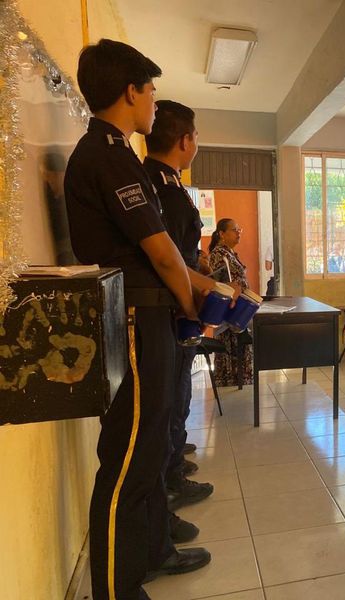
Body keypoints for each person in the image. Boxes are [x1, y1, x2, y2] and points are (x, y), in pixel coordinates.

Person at [64, 39, 210, 600]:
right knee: (126, 462)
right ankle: (115, 591)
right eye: (150, 90)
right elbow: (161, 251)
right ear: (131, 91)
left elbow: (169, 252)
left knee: (148, 451)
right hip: (132, 318)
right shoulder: (104, 154)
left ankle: (150, 552)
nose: (154, 102)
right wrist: (196, 301)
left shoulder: (118, 153)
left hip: (146, 317)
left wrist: (206, 288)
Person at [143, 100, 215, 520]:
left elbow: (183, 251)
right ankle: (171, 476)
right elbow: (169, 258)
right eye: (196, 137)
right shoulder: (162, 188)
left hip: (178, 300)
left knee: (179, 391)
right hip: (173, 306)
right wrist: (194, 307)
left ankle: (173, 461)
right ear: (184, 140)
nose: (196, 144)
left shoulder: (162, 181)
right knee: (172, 395)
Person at [208, 218, 254, 386]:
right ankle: (231, 382)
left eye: (239, 229)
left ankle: (242, 381)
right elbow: (222, 284)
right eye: (234, 230)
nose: (238, 233)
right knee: (230, 349)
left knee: (242, 349)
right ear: (221, 233)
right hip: (230, 311)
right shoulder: (219, 254)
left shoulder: (229, 253)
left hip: (240, 310)